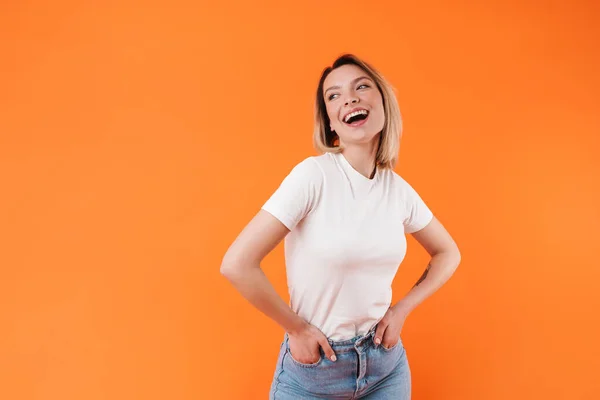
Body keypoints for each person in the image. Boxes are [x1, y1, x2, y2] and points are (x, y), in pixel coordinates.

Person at [220, 53, 461, 399]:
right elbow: (236, 264)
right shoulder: (313, 176)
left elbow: (448, 252)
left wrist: (402, 309)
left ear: (382, 103)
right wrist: (297, 329)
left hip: (385, 368)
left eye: (361, 87)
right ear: (331, 122)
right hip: (315, 371)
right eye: (333, 95)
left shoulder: (398, 190)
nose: (349, 98)